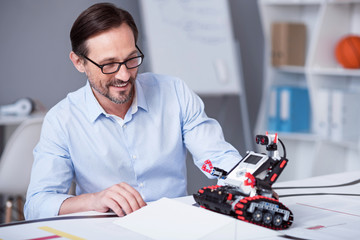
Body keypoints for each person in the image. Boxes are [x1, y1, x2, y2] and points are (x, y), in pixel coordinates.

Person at [24, 2, 242, 220]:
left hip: (174, 226)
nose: (124, 76)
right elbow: (36, 205)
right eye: (108, 65)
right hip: (105, 231)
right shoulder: (62, 120)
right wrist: (94, 200)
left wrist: (245, 179)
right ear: (79, 62)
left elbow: (217, 156)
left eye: (131, 59)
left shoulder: (174, 92)